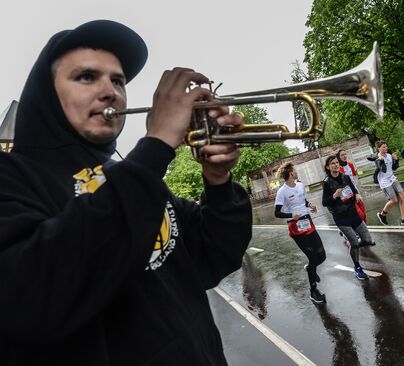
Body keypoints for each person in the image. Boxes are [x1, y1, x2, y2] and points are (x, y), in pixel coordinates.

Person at [0, 20, 252, 365]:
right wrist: (156, 145)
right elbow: (35, 298)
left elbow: (213, 258)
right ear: (47, 94)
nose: (111, 91)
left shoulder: (129, 176)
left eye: (117, 80)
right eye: (87, 77)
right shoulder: (12, 175)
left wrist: (219, 181)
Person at [274, 162, 327, 304]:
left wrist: (310, 205)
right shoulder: (282, 192)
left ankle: (310, 268)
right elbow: (277, 213)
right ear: (291, 173)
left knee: (322, 256)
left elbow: (302, 200)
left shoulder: (300, 185)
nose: (297, 172)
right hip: (296, 227)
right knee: (313, 258)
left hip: (308, 223)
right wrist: (291, 215)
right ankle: (313, 291)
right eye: (295, 170)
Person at [322, 155, 376, 280]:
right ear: (328, 167)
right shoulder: (327, 182)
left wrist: (357, 195)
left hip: (353, 213)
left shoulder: (345, 177)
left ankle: (354, 244)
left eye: (336, 163)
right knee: (354, 242)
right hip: (341, 217)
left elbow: (353, 189)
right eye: (332, 164)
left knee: (367, 240)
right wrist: (334, 196)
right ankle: (357, 267)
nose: (335, 165)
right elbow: (325, 202)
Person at [370, 140, 404, 226]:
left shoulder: (389, 156)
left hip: (392, 178)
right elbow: (383, 169)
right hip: (384, 182)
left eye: (386, 146)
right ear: (378, 148)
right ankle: (382, 214)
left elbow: (394, 168)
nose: (386, 148)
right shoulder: (377, 158)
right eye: (383, 147)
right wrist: (381, 161)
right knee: (394, 200)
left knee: (402, 196)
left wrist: (396, 160)